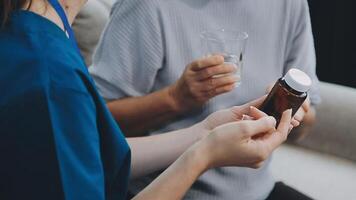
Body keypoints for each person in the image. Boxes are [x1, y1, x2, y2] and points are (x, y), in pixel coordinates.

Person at [0, 1, 293, 200]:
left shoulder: (35, 34)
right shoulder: (52, 74)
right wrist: (203, 155)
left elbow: (91, 151)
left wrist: (204, 133)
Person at [89, 0, 321, 199]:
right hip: (168, 190)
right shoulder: (146, 6)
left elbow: (307, 122)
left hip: (258, 191)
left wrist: (293, 114)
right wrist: (175, 99)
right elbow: (90, 126)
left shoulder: (289, 4)